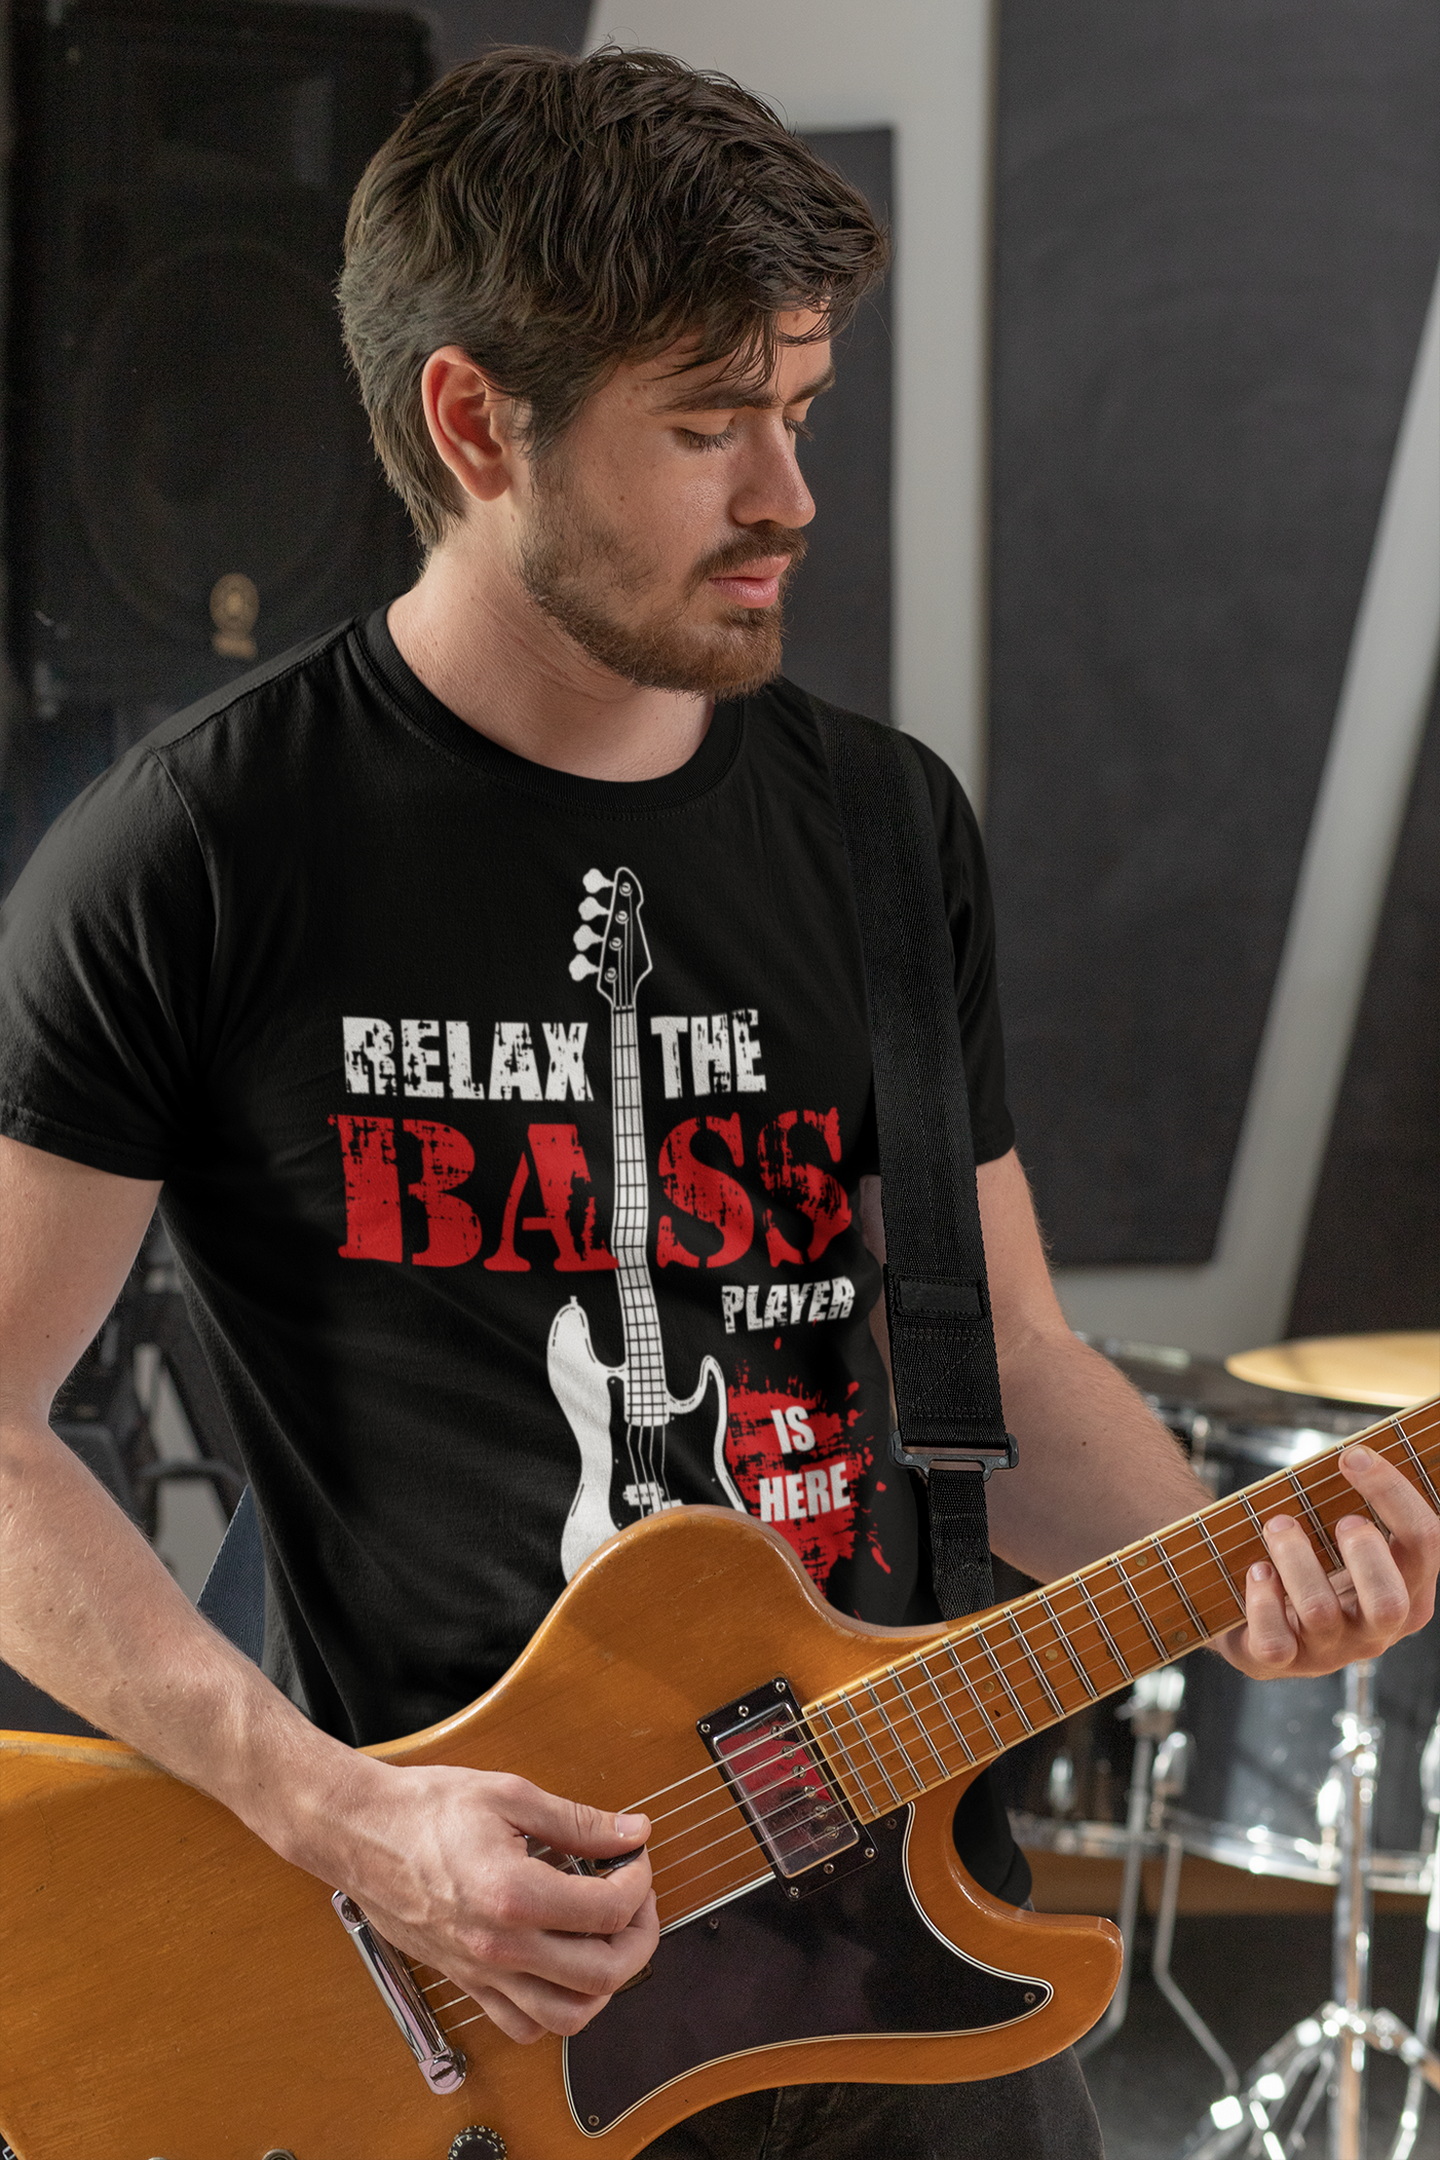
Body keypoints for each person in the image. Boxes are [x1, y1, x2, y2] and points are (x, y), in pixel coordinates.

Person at [0, 46, 1434, 2160]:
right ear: (474, 423)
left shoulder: (884, 833)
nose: (788, 496)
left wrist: (1246, 1579)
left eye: (802, 411)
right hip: (459, 1999)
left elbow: (1003, 1365)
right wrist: (348, 1815)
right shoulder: (199, 854)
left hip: (894, 1947)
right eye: (705, 426)